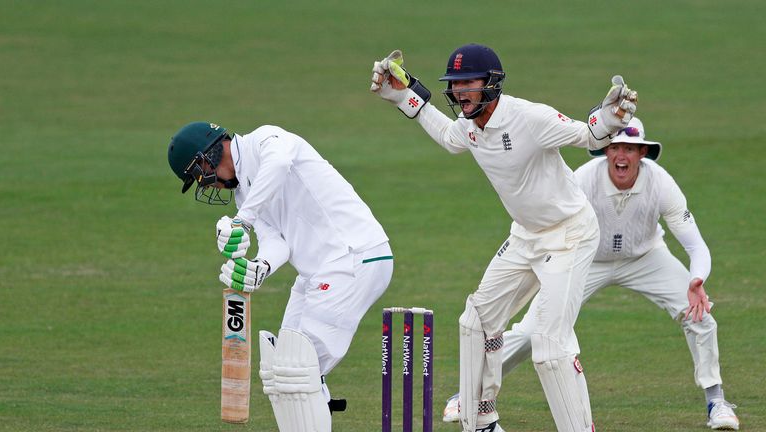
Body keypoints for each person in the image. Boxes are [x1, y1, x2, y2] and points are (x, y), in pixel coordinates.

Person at [371, 44, 638, 432]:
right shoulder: (468, 124)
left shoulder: (530, 117)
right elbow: (448, 137)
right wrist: (400, 94)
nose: (460, 92)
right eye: (455, 84)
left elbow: (588, 136)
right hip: (525, 236)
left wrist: (612, 118)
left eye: (469, 83)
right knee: (475, 321)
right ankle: (481, 421)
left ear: (491, 84)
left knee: (549, 345)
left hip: (569, 235)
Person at [441, 117, 740, 430]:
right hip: (585, 261)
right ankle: (468, 396)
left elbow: (696, 246)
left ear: (642, 154)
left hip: (645, 257)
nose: (621, 155)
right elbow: (550, 223)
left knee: (700, 315)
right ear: (605, 151)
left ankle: (716, 401)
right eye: (614, 147)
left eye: (630, 148)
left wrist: (697, 280)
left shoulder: (661, 183)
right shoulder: (583, 178)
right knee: (533, 332)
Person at [167, 122, 394, 432]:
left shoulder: (265, 140)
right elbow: (277, 243)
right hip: (319, 271)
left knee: (297, 368)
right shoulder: (244, 196)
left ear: (208, 155)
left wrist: (242, 221)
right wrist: (258, 267)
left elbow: (279, 165)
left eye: (197, 175)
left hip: (354, 258)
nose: (204, 185)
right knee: (281, 371)